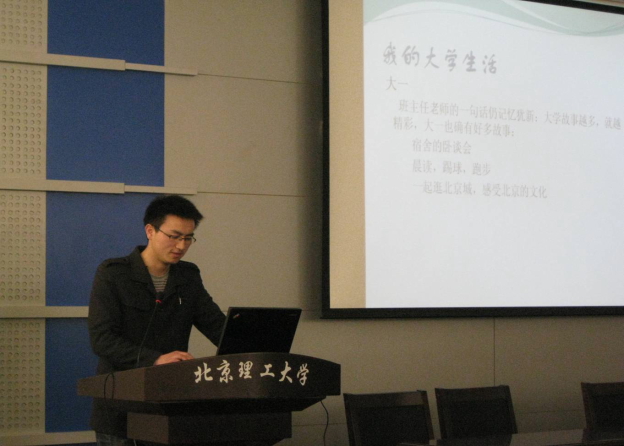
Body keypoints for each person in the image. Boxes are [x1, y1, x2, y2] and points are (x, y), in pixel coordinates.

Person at [88, 194, 226, 446]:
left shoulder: (188, 276)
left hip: (168, 404)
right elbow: (102, 339)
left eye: (188, 238)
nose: (181, 246)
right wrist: (156, 359)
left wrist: (253, 350)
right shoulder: (113, 274)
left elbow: (217, 326)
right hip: (119, 405)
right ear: (150, 231)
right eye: (174, 236)